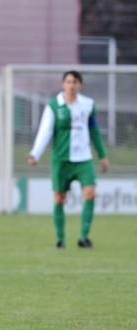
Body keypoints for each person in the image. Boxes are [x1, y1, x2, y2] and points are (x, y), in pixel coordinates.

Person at [28, 70, 109, 249]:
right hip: (61, 159)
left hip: (84, 159)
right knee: (59, 198)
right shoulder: (54, 106)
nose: (71, 85)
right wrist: (35, 153)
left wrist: (102, 155)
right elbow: (45, 131)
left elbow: (94, 131)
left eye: (74, 82)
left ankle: (83, 237)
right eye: (68, 82)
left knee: (90, 193)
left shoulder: (88, 105)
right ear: (63, 84)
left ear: (80, 85)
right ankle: (60, 239)